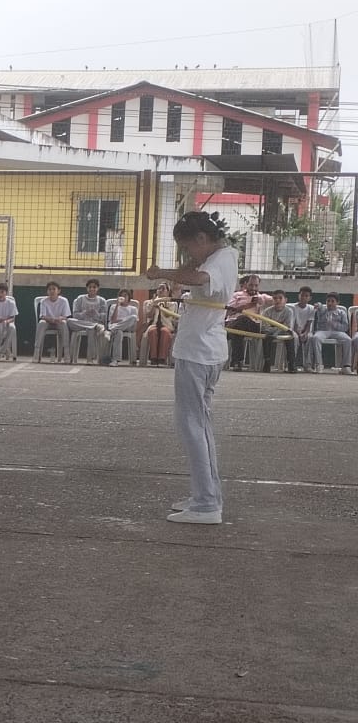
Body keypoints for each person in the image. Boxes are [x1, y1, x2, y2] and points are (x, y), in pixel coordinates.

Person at [146, 210, 237, 525]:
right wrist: (183, 265)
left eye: (188, 247)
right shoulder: (219, 257)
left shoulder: (218, 262)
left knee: (194, 426)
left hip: (199, 353)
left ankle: (207, 503)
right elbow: (195, 271)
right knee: (197, 425)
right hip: (203, 350)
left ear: (201, 238)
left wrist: (161, 272)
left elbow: (199, 279)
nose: (188, 255)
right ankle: (206, 495)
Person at [225, 274, 273, 371]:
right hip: (234, 323)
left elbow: (276, 302)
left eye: (256, 285)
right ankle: (237, 361)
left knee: (242, 319)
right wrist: (249, 304)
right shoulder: (236, 295)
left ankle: (237, 361)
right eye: (251, 285)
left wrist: (263, 302)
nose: (253, 288)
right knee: (237, 329)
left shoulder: (262, 297)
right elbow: (228, 312)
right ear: (246, 284)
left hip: (252, 325)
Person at [66, 278, 108, 364]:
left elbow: (104, 317)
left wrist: (96, 314)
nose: (92, 289)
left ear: (98, 288)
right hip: (81, 324)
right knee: (69, 321)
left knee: (91, 329)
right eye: (90, 287)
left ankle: (90, 359)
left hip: (95, 322)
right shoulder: (80, 299)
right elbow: (75, 315)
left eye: (94, 287)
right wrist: (84, 313)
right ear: (87, 288)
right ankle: (95, 326)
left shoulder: (102, 300)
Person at [311, 293, 352, 375]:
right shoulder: (323, 310)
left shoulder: (342, 312)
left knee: (348, 340)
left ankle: (346, 366)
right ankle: (319, 364)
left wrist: (335, 324)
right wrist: (318, 305)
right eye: (328, 301)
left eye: (332, 301)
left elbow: (345, 327)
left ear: (337, 302)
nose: (330, 303)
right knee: (316, 338)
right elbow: (320, 306)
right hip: (323, 331)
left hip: (338, 332)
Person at [34, 281, 70, 363]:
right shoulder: (44, 301)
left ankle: (66, 353)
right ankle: (36, 352)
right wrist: (51, 319)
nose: (52, 291)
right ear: (47, 291)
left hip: (59, 322)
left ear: (58, 291)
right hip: (48, 322)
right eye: (49, 289)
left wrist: (59, 319)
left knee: (64, 323)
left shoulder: (64, 301)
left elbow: (65, 316)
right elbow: (43, 316)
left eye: (54, 289)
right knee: (41, 323)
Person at [261, 290, 296, 374]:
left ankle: (291, 363)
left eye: (280, 298)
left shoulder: (289, 311)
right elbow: (265, 327)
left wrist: (275, 329)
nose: (277, 300)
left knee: (291, 337)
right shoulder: (267, 311)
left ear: (285, 300)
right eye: (275, 298)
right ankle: (267, 362)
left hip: (284, 332)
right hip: (270, 333)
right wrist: (278, 327)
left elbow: (287, 327)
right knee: (266, 336)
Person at [142, 282, 176, 366]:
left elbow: (168, 316)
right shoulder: (151, 302)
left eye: (163, 288)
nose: (160, 290)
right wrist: (154, 305)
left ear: (168, 292)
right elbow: (149, 315)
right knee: (152, 331)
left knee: (165, 332)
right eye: (159, 288)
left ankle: (162, 358)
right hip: (154, 324)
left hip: (166, 325)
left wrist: (164, 304)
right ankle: (153, 357)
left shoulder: (171, 303)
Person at [105, 289, 139, 365]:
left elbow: (133, 321)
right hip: (115, 326)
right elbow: (113, 320)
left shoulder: (133, 308)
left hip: (127, 327)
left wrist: (122, 320)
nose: (123, 297)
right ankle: (115, 360)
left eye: (125, 295)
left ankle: (112, 331)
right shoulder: (113, 306)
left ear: (129, 297)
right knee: (119, 332)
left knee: (133, 317)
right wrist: (117, 305)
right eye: (121, 295)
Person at [290, 286, 318, 372]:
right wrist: (298, 333)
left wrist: (305, 333)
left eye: (306, 296)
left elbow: (309, 323)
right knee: (294, 338)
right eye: (302, 295)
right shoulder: (293, 307)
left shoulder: (311, 308)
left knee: (310, 337)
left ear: (310, 298)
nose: (303, 297)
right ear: (298, 296)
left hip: (305, 331)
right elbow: (293, 322)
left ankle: (308, 365)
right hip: (294, 330)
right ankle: (292, 363)